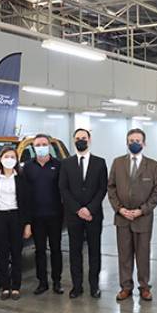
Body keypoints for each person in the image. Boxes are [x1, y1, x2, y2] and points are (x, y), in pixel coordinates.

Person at [108, 128, 157, 301]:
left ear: (144, 143)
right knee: (124, 255)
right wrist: (120, 209)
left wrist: (142, 210)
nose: (134, 143)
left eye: (137, 141)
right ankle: (126, 287)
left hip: (143, 219)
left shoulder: (154, 166)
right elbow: (111, 188)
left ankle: (144, 287)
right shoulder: (117, 163)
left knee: (143, 254)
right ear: (127, 143)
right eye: (131, 141)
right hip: (122, 218)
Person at [59, 128, 108, 299]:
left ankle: (94, 286)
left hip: (94, 215)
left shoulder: (100, 163)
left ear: (89, 140)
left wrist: (89, 209)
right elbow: (63, 188)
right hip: (74, 216)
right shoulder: (66, 163)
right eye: (78, 138)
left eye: (84, 138)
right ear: (74, 141)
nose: (81, 140)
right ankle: (77, 286)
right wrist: (78, 209)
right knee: (75, 251)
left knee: (95, 251)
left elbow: (102, 188)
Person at [0, 147, 31, 301]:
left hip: (16, 217)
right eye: (7, 156)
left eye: (13, 157)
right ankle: (5, 287)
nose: (9, 159)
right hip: (0, 217)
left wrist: (27, 224)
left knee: (16, 253)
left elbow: (27, 202)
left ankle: (16, 287)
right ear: (0, 159)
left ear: (17, 160)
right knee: (3, 253)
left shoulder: (21, 177)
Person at [22, 134, 64, 296]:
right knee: (39, 250)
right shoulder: (28, 167)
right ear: (33, 148)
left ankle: (57, 281)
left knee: (56, 249)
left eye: (44, 144)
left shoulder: (58, 165)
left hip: (55, 215)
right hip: (36, 217)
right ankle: (42, 282)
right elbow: (25, 195)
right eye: (38, 145)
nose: (41, 147)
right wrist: (27, 221)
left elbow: (64, 189)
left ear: (49, 146)